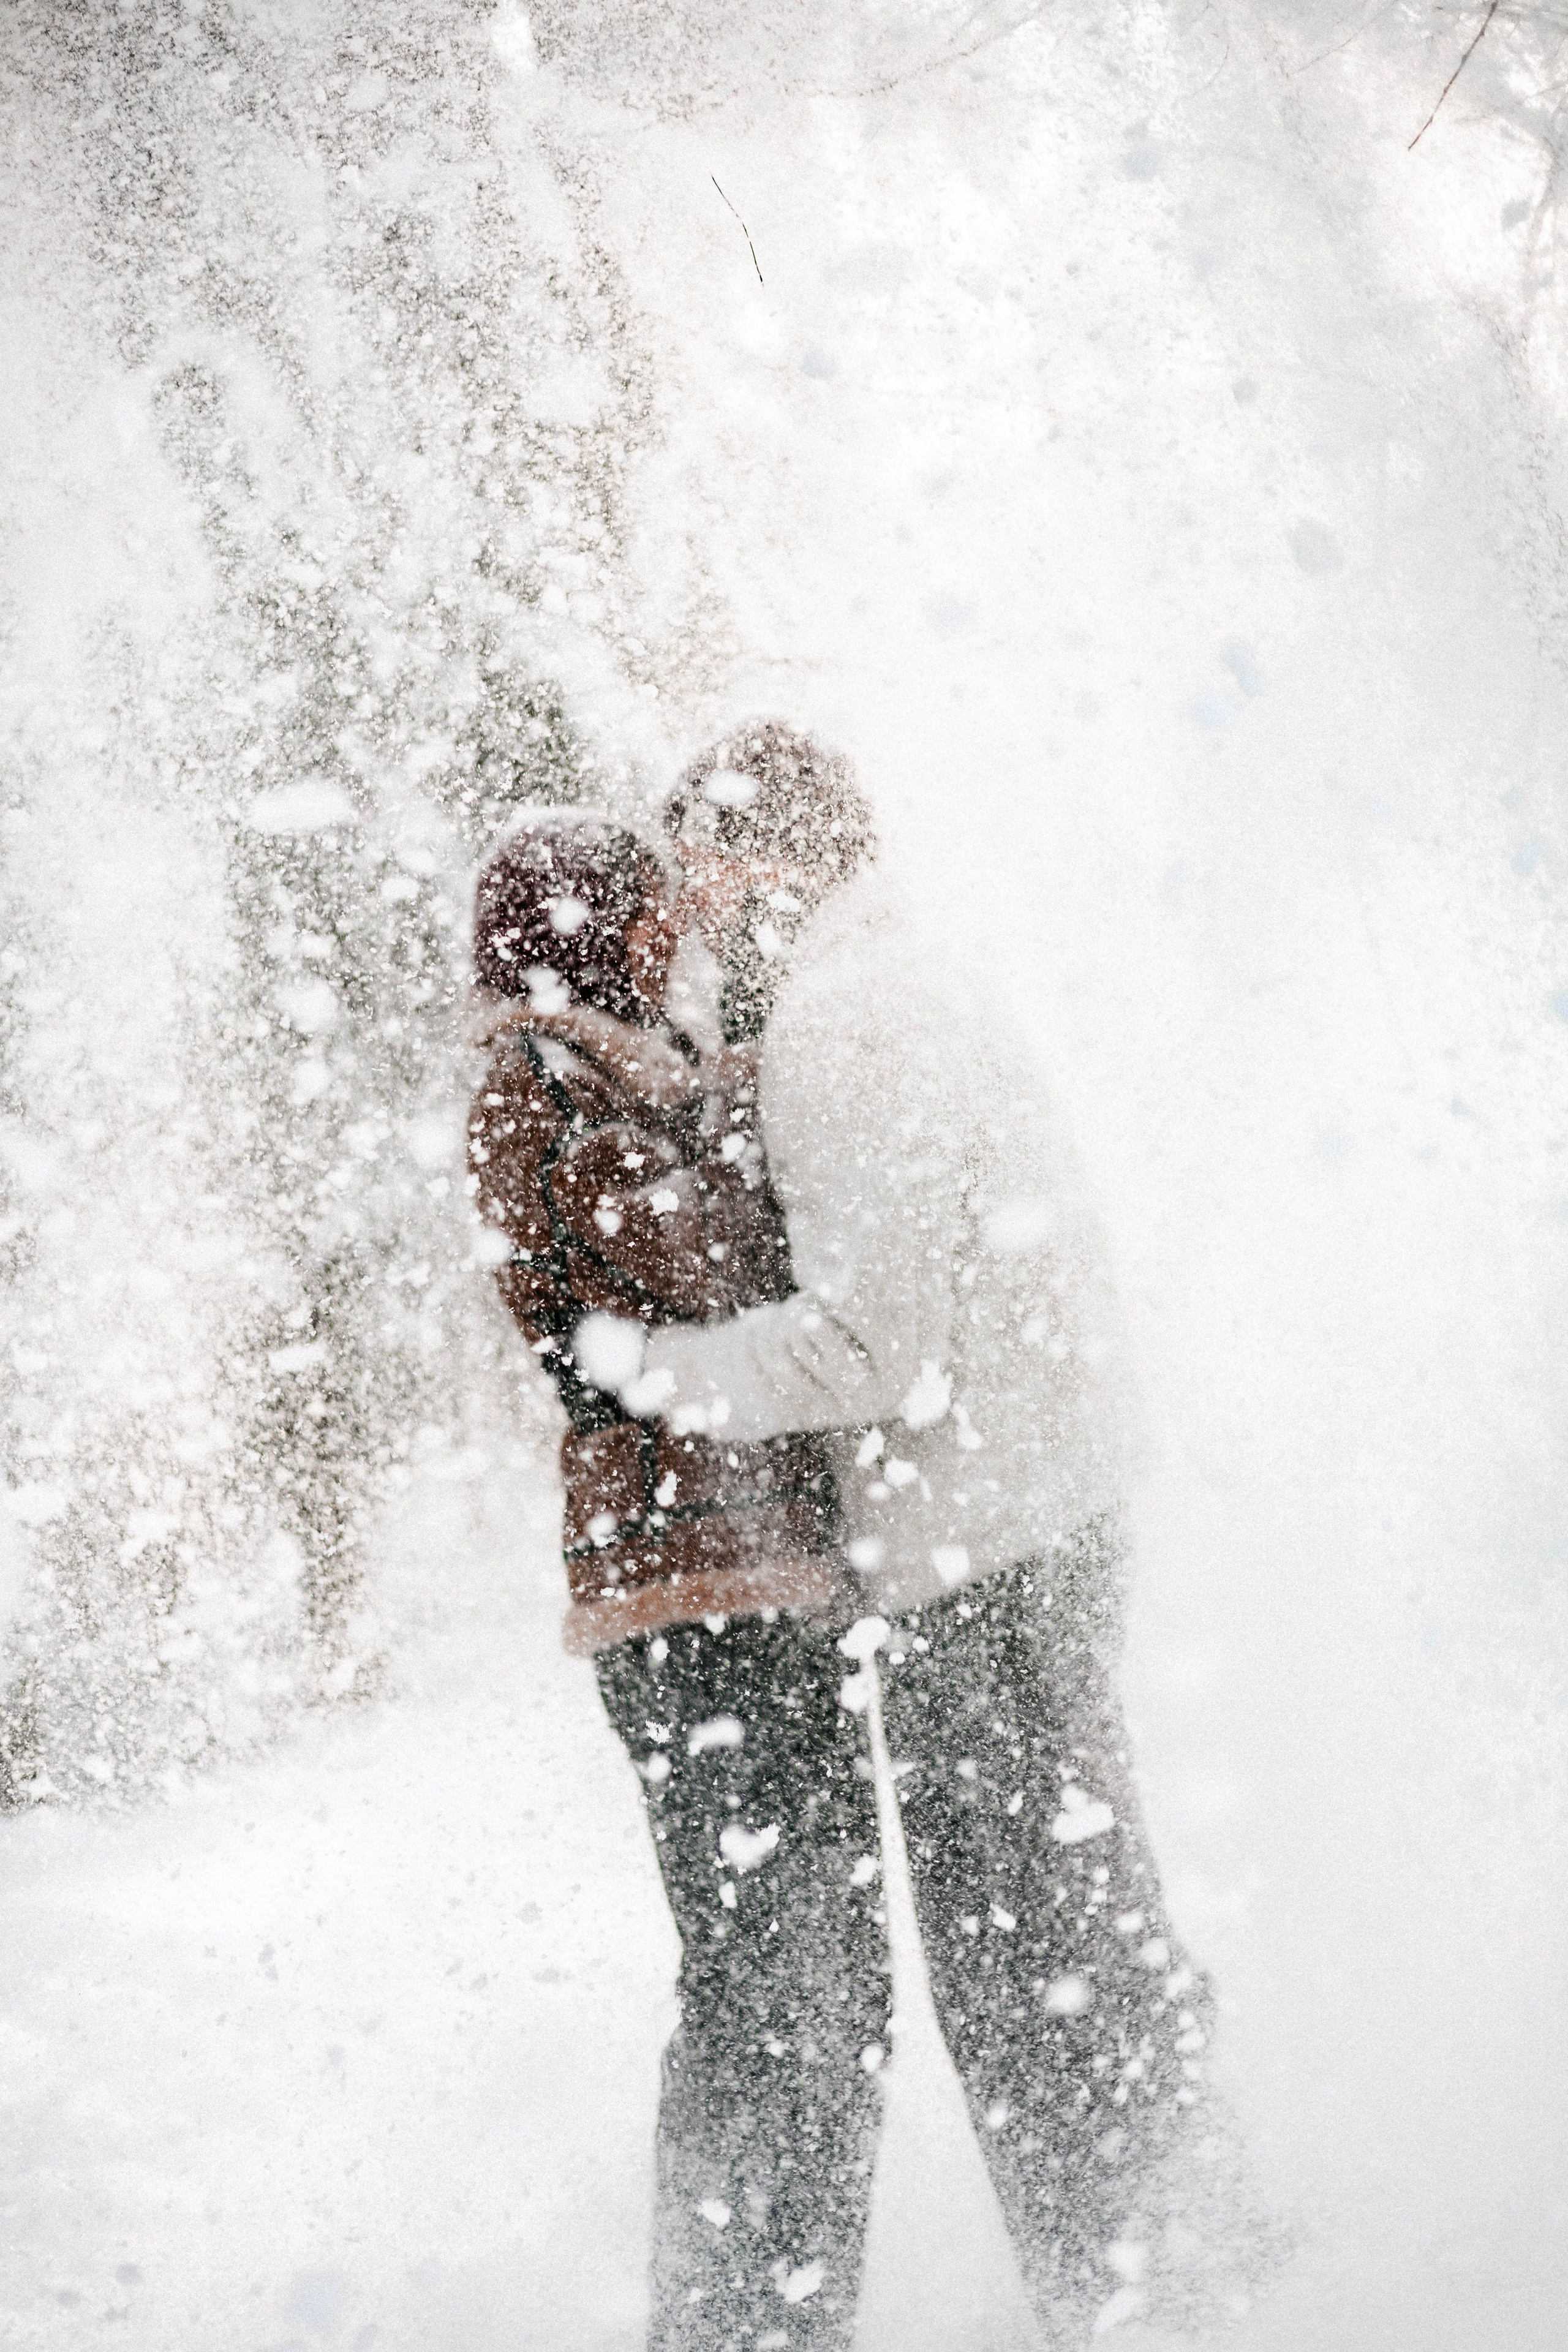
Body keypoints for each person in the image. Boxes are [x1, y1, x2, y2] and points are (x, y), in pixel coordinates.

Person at [567, 725, 1275, 2350]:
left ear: (762, 864)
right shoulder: (909, 979)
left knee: (1031, 1958)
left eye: (701, 878)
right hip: (1034, 1514)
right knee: (1079, 1921)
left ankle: (1147, 2293)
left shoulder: (844, 1020)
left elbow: (870, 1346)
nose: (686, 923)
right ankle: (1189, 2257)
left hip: (982, 1549)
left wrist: (650, 1375)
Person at [466, 811, 840, 1651]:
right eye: (646, 910)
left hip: (737, 1537)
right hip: (682, 1564)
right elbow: (698, 1256)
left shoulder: (630, 1065)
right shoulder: (541, 1091)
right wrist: (764, 1093)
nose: (671, 928)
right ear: (584, 934)